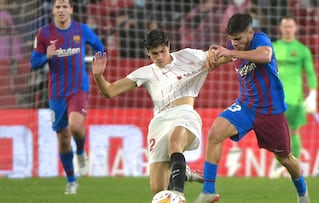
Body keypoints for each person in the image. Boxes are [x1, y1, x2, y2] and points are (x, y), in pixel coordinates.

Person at [194, 13, 310, 203]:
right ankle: (208, 191)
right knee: (215, 133)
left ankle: (303, 194)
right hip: (245, 106)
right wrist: (212, 60)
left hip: (270, 110)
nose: (235, 44)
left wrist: (230, 53)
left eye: (238, 39)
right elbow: (223, 57)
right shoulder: (234, 46)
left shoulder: (260, 40)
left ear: (250, 32)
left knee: (285, 158)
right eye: (232, 41)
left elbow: (265, 55)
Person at [91, 29, 212, 202]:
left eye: (163, 51)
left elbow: (216, 57)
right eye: (155, 53)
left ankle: (178, 194)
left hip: (184, 113)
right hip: (160, 122)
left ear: (169, 47)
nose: (160, 57)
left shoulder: (188, 56)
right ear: (148, 52)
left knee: (175, 142)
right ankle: (182, 173)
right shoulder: (144, 73)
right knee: (158, 190)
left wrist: (225, 55)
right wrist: (98, 76)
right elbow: (110, 91)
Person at [30, 0, 104, 195]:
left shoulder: (82, 30)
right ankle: (71, 180)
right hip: (56, 93)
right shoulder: (44, 33)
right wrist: (46, 55)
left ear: (71, 9)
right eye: (58, 6)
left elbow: (99, 47)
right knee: (63, 139)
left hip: (78, 88)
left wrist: (99, 62)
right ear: (53, 10)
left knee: (76, 126)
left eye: (65, 6)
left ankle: (80, 152)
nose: (61, 10)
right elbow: (33, 62)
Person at [271, 16, 318, 177]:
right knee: (277, 133)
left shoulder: (302, 50)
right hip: (276, 97)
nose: (288, 29)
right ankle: (280, 166)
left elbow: (310, 73)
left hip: (296, 98)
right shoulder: (273, 47)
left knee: (295, 131)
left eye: (290, 26)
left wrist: (313, 94)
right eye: (285, 26)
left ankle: (294, 166)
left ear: (295, 28)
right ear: (281, 28)